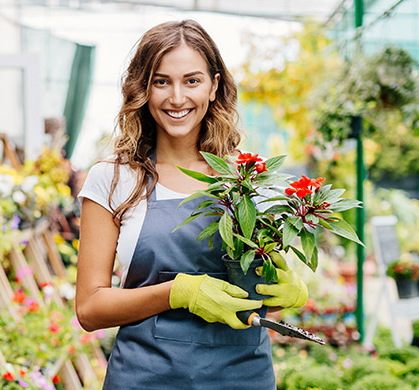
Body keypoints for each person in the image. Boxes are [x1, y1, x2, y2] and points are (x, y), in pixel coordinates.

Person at [75, 20, 307, 389]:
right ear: (143, 88)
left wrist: (289, 290)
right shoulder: (114, 179)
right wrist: (178, 292)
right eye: (161, 81)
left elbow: (254, 290)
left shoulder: (248, 179)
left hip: (241, 377)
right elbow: (89, 309)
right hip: (146, 378)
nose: (177, 98)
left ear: (214, 86)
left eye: (192, 81)